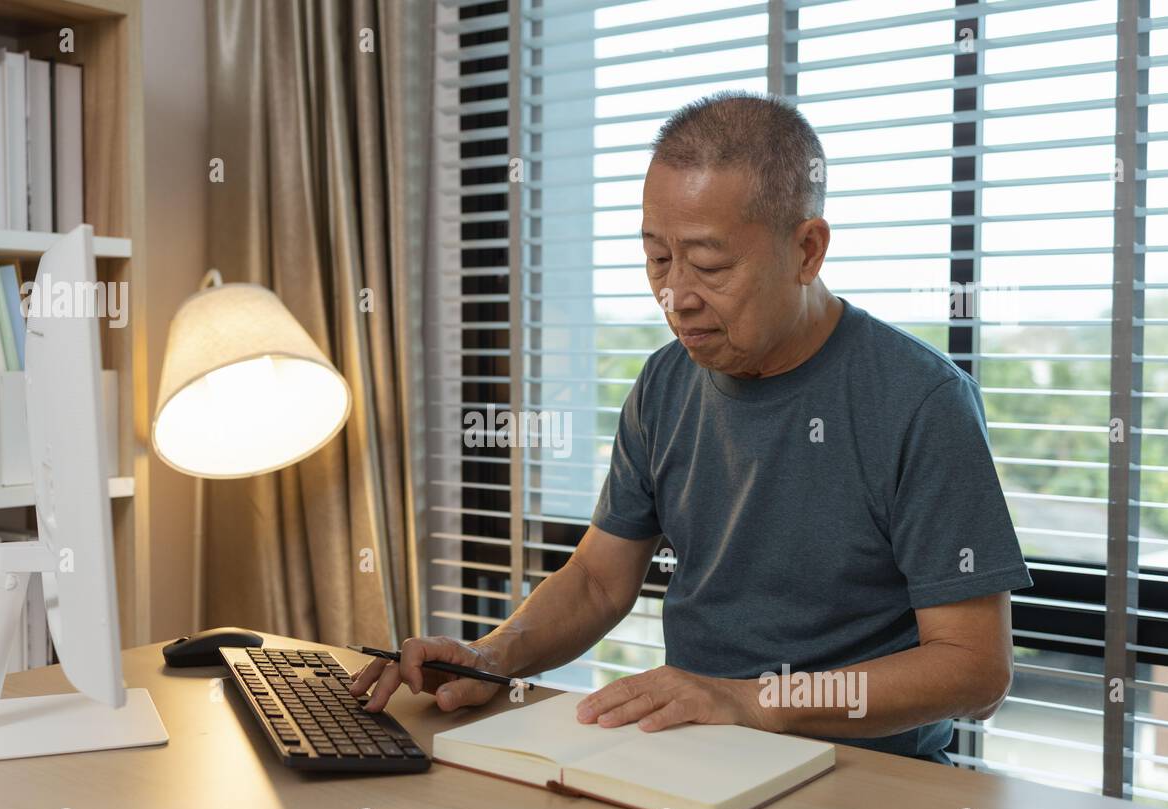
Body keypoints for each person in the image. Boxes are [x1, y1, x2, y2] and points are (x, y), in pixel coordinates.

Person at [351, 91, 1033, 763]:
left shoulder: (920, 401)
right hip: (692, 763)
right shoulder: (664, 383)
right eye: (657, 259)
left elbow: (975, 672)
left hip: (868, 780)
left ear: (807, 251)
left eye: (709, 265)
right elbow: (597, 580)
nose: (676, 297)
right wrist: (492, 656)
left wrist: (750, 702)